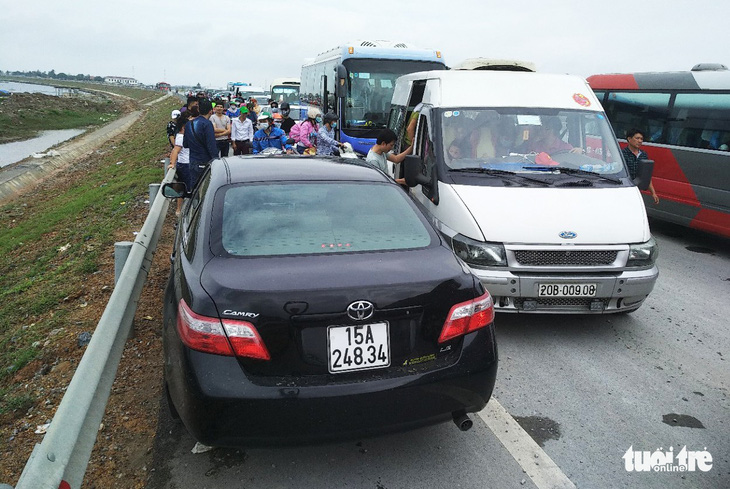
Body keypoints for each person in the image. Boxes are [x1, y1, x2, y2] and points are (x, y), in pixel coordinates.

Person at [183, 98, 218, 190]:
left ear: (198, 110)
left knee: (195, 189)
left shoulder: (188, 124)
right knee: (206, 189)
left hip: (193, 161)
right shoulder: (207, 124)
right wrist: (217, 161)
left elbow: (185, 144)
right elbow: (211, 146)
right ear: (211, 111)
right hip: (205, 162)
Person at [622, 128, 659, 204]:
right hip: (625, 189)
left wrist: (653, 193)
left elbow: (646, 176)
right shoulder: (622, 154)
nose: (640, 141)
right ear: (629, 139)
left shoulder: (643, 155)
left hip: (637, 190)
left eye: (641, 139)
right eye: (637, 138)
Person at [167, 112, 191, 215]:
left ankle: (180, 209)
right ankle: (179, 210)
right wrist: (172, 163)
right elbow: (176, 150)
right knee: (184, 188)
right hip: (185, 165)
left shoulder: (183, 135)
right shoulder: (181, 137)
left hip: (187, 164)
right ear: (183, 127)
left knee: (183, 187)